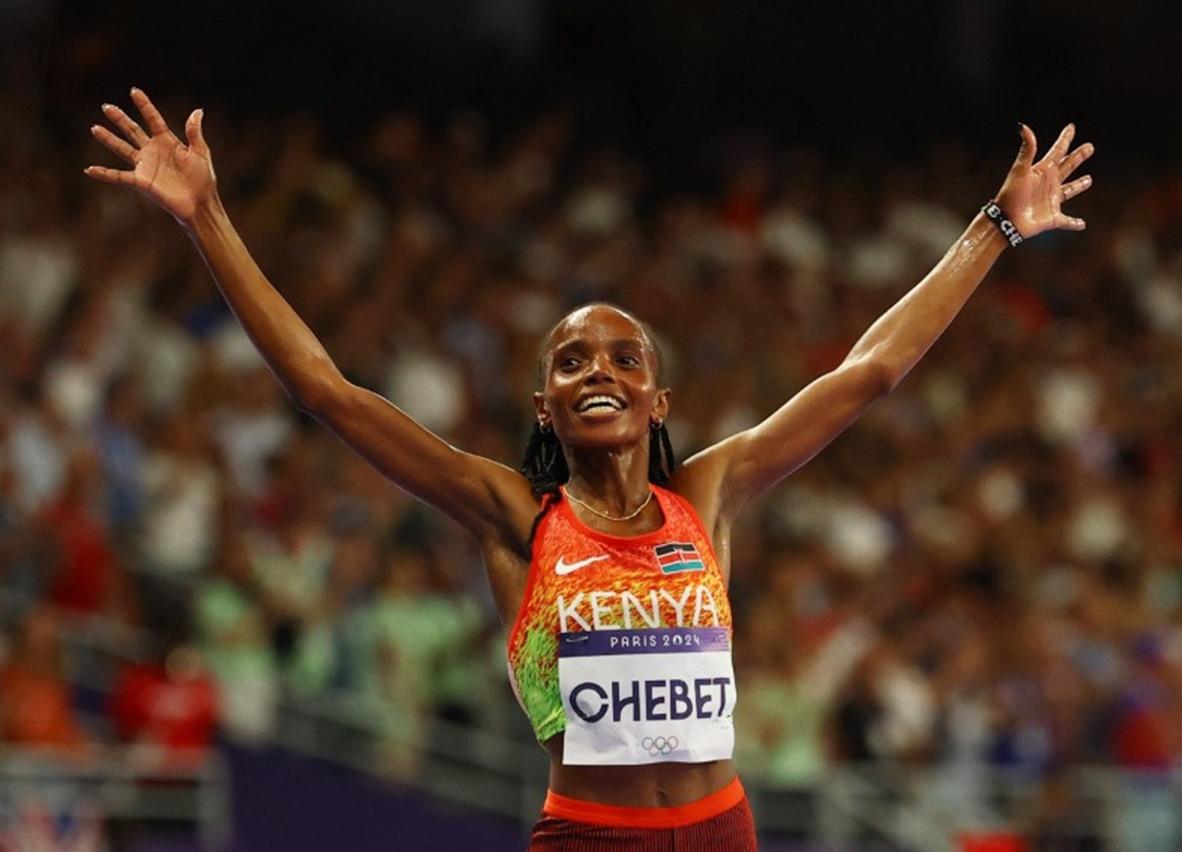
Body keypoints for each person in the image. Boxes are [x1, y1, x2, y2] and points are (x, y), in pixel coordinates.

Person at [86, 89, 1094, 850]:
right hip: (587, 837)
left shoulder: (711, 492)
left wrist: (996, 227)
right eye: (572, 360)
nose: (599, 370)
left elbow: (871, 369)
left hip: (718, 830)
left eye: (625, 357)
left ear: (659, 400)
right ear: (546, 407)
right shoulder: (511, 514)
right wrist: (205, 217)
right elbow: (327, 391)